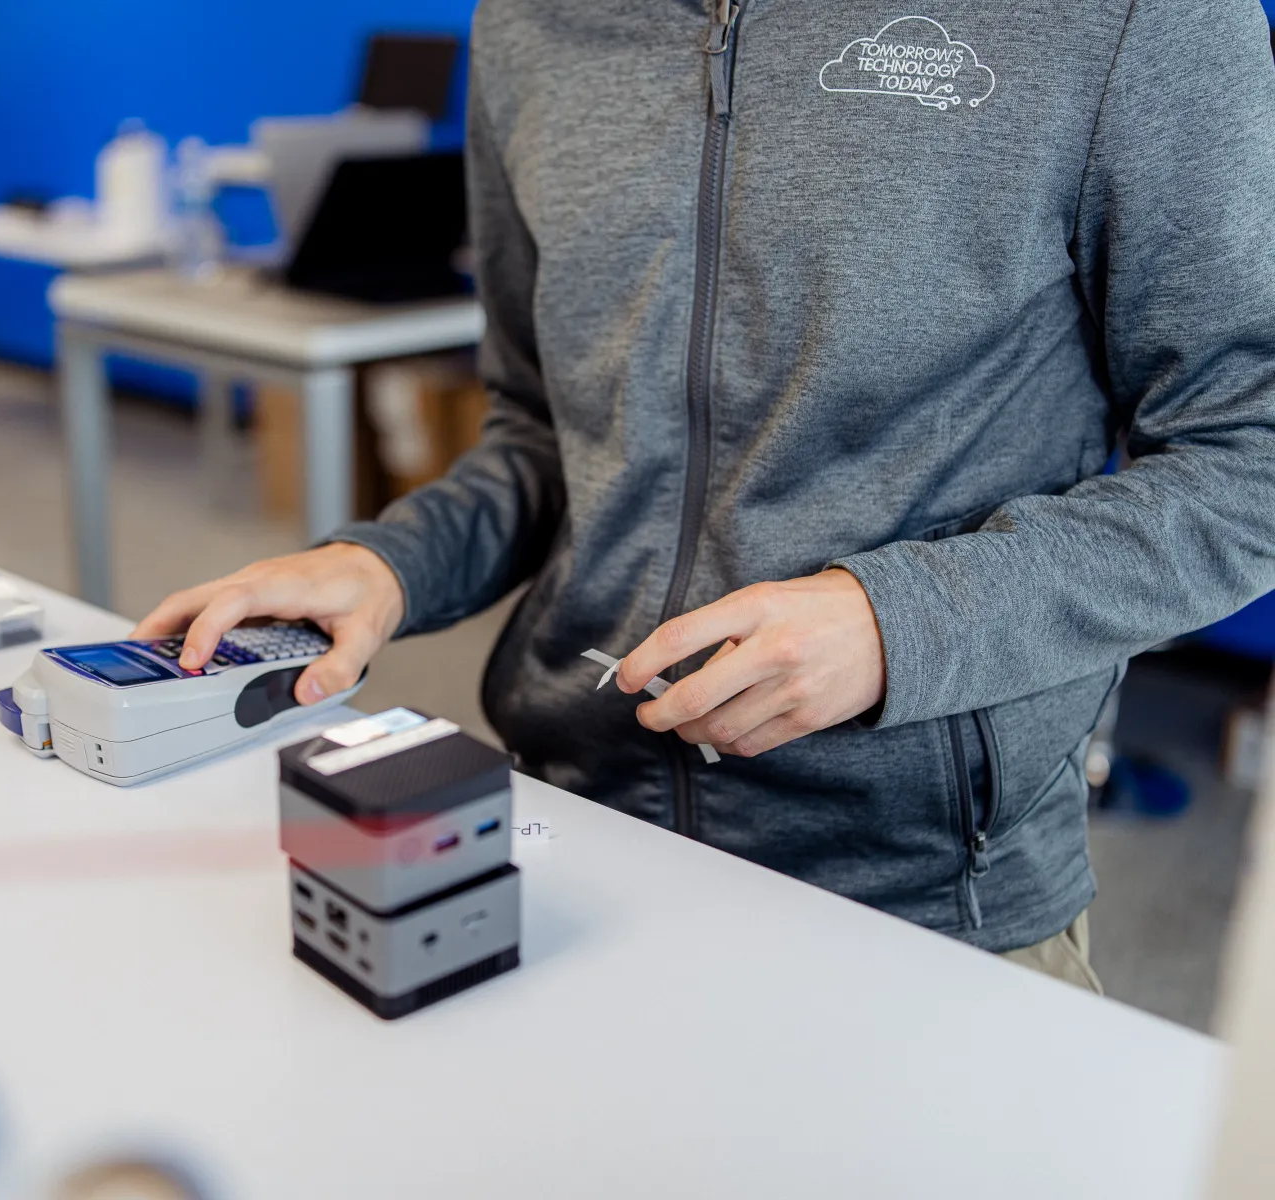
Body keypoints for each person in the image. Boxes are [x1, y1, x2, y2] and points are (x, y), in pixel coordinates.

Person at [138, 0, 1275, 990]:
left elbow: (1249, 460)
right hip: (571, 837)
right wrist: (389, 562)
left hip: (927, 907)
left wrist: (895, 623)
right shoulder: (528, 22)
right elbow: (543, 431)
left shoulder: (1134, 17)